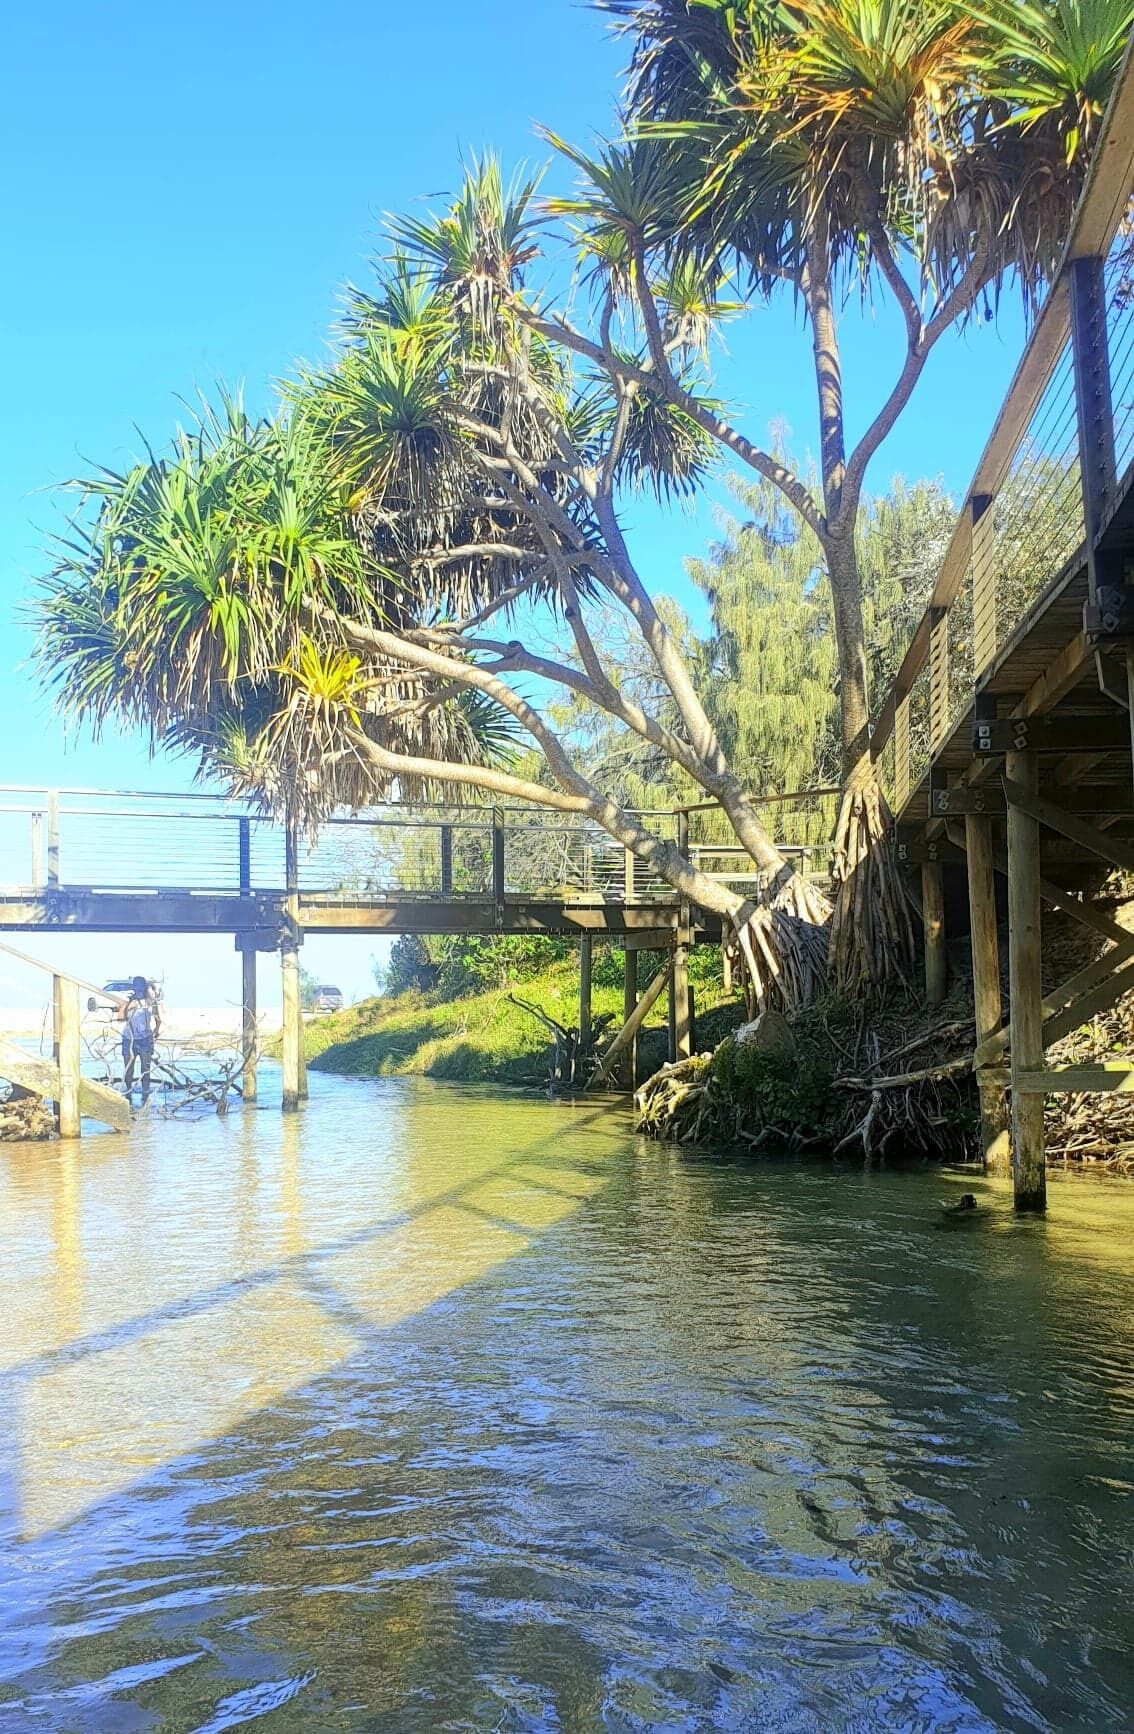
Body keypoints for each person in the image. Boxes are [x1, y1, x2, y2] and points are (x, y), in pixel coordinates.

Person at [119, 975, 161, 1093]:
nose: (138, 989)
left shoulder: (151, 1002)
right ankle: (128, 1092)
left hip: (145, 1039)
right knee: (128, 1069)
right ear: (133, 987)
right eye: (136, 987)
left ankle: (145, 1092)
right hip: (129, 1039)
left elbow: (158, 1019)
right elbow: (120, 1019)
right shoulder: (128, 1001)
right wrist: (128, 1006)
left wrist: (156, 1032)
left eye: (140, 987)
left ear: (144, 987)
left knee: (145, 1069)